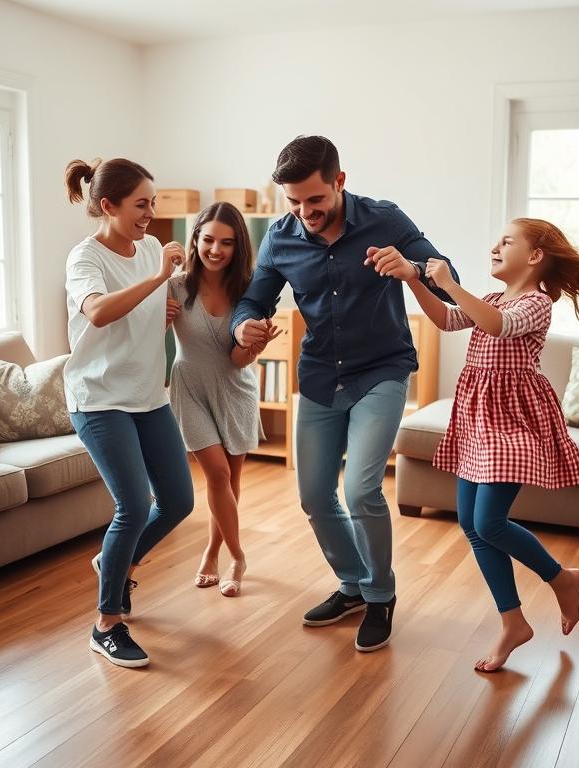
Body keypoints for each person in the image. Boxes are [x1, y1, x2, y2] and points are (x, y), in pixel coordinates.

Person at [231, 136, 460, 653]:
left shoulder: (385, 219)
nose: (304, 212)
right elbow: (253, 299)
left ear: (339, 181)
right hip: (318, 377)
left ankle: (381, 595)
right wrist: (245, 326)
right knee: (315, 495)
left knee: (360, 489)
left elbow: (449, 280)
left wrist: (412, 269)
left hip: (381, 369)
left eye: (314, 199)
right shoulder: (279, 236)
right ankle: (353, 584)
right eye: (293, 202)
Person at [378, 216, 579, 672]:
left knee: (488, 521)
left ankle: (562, 579)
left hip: (513, 420)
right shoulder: (488, 297)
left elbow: (498, 325)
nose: (494, 246)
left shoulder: (536, 303)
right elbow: (449, 319)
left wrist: (449, 280)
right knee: (472, 522)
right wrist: (414, 281)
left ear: (534, 257)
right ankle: (514, 621)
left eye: (506, 241)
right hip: (479, 417)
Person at [63, 157, 195, 669]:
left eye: (153, 203)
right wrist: (160, 275)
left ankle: (114, 564)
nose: (150, 213)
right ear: (107, 205)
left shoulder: (148, 252)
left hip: (146, 395)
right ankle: (106, 623)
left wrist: (162, 313)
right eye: (141, 204)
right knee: (134, 506)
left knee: (180, 501)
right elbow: (97, 311)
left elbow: (138, 324)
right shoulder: (85, 259)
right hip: (98, 399)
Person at [167, 202, 281, 597]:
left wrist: (255, 346)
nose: (215, 250)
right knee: (216, 475)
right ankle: (238, 556)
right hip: (190, 387)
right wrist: (159, 317)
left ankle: (214, 550)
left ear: (239, 247)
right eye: (208, 239)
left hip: (235, 387)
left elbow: (237, 359)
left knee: (230, 481)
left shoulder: (250, 289)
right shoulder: (176, 286)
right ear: (195, 237)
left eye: (226, 243)